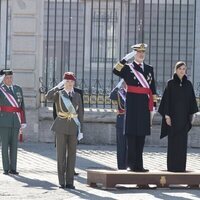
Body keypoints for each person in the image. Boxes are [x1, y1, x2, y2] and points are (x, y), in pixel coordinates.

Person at [113, 43, 157, 173]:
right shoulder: (128, 68)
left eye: (143, 52)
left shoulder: (149, 68)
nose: (141, 54)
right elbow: (115, 70)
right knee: (131, 135)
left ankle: (140, 165)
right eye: (138, 52)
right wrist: (125, 59)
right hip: (132, 103)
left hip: (144, 104)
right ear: (134, 54)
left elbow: (152, 88)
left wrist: (153, 105)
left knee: (141, 136)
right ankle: (132, 165)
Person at [45, 72, 84, 189]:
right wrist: (57, 86)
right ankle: (62, 181)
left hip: (73, 127)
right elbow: (47, 97)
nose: (69, 84)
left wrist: (81, 130)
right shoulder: (59, 94)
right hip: (61, 127)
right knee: (61, 155)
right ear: (64, 82)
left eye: (71, 81)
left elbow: (81, 113)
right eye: (67, 81)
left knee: (72, 155)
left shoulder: (77, 95)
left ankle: (70, 182)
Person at [158, 61, 198, 172]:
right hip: (172, 120)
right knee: (173, 144)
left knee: (182, 145)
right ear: (176, 70)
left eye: (184, 69)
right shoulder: (170, 83)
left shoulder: (188, 84)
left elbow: (192, 102)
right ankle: (172, 167)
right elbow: (166, 101)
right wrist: (167, 116)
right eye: (180, 68)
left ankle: (181, 168)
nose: (182, 71)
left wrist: (192, 116)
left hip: (184, 120)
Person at [53, 85, 84, 176]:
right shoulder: (60, 92)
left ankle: (71, 170)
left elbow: (81, 110)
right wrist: (57, 122)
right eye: (67, 80)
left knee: (72, 151)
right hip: (62, 124)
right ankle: (62, 174)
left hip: (73, 125)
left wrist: (80, 128)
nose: (69, 82)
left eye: (71, 80)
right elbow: (55, 109)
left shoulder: (78, 93)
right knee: (61, 152)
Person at [0, 69, 26, 175]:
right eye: (7, 78)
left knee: (14, 146)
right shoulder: (1, 90)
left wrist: (23, 121)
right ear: (3, 79)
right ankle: (6, 168)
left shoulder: (18, 89)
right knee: (5, 145)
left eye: (10, 77)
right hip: (4, 121)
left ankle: (13, 168)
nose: (9, 79)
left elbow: (22, 106)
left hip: (16, 121)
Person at [110, 79, 127, 170]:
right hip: (121, 120)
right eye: (124, 83)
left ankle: (128, 165)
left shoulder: (133, 93)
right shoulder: (119, 93)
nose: (126, 85)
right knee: (121, 145)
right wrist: (118, 85)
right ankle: (121, 166)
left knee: (130, 144)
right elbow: (111, 96)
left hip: (131, 120)